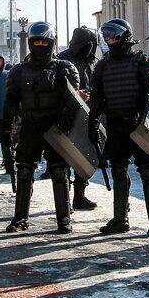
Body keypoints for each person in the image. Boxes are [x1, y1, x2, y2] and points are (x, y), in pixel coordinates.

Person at [87, 19, 149, 236]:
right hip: (115, 126)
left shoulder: (143, 62)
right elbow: (96, 99)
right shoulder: (102, 66)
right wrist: (93, 123)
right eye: (107, 36)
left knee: (147, 171)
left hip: (139, 126)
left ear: (125, 37)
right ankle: (120, 219)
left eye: (113, 35)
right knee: (118, 171)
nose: (110, 40)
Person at [2, 22, 80, 233]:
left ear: (51, 43)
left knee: (59, 171)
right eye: (36, 42)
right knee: (24, 170)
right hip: (30, 126)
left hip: (55, 126)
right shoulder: (19, 71)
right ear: (30, 42)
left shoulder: (64, 68)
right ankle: (20, 218)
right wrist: (6, 129)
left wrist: (64, 124)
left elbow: (73, 102)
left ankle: (64, 219)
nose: (40, 45)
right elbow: (10, 102)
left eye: (44, 42)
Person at [59, 26, 99, 211]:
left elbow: (96, 84)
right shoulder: (63, 59)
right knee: (66, 157)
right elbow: (56, 87)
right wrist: (74, 95)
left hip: (87, 115)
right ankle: (65, 199)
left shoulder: (92, 61)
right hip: (67, 115)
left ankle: (80, 195)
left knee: (84, 156)